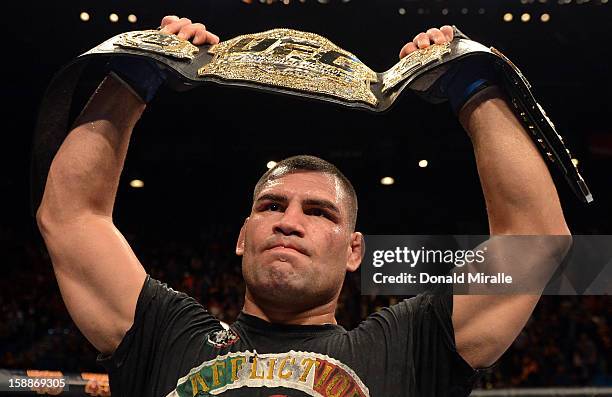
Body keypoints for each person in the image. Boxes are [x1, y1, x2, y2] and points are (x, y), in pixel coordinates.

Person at [35, 15, 571, 397]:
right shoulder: (164, 334)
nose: (289, 222)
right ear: (242, 235)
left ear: (355, 250)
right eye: (271, 205)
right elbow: (70, 216)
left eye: (320, 213)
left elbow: (535, 241)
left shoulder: (408, 345)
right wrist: (135, 74)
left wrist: (472, 83)